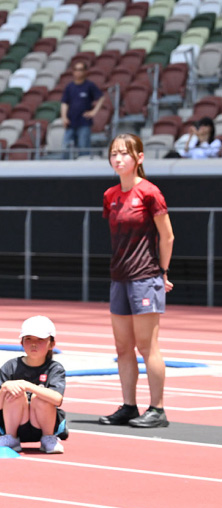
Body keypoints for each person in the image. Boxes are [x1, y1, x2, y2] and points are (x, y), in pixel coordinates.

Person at [99, 134, 175, 429]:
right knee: (122, 347)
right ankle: (129, 406)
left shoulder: (150, 193)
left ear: (139, 158)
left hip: (145, 277)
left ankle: (157, 409)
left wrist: (162, 272)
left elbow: (167, 236)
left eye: (124, 154)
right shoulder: (110, 195)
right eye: (114, 154)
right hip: (119, 277)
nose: (118, 159)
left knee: (147, 346)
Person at [0, 316, 68, 454]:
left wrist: (28, 386)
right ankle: (11, 438)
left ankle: (48, 439)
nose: (34, 344)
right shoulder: (10, 366)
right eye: (28, 339)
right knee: (13, 392)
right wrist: (5, 387)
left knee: (40, 397)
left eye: (40, 340)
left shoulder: (55, 368)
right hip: (16, 423)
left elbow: (57, 399)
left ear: (51, 344)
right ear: (21, 342)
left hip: (42, 424)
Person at [60, 61, 104, 158]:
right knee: (65, 147)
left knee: (83, 147)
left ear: (85, 72)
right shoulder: (69, 87)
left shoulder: (89, 86)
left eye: (80, 70)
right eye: (76, 70)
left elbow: (101, 98)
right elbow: (64, 103)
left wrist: (93, 112)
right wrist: (64, 117)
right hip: (70, 122)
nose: (78, 72)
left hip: (84, 122)